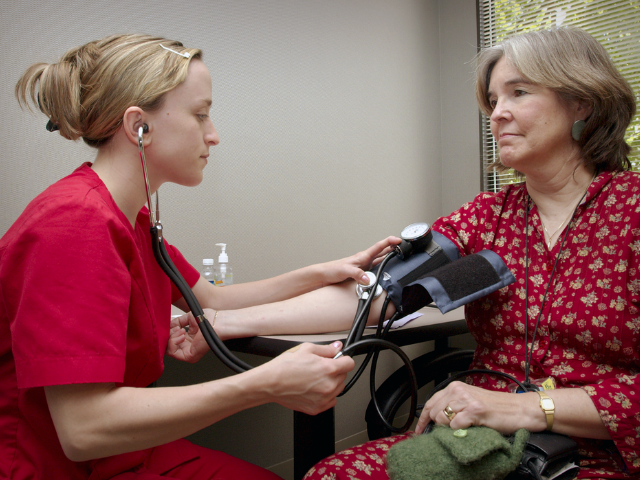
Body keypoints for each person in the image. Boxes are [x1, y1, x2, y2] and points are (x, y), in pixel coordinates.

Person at [0, 34, 401, 480]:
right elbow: (82, 430)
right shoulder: (74, 224)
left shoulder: (127, 218)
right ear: (139, 127)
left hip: (129, 454)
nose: (214, 135)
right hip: (56, 466)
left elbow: (214, 299)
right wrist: (263, 384)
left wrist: (321, 271)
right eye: (200, 114)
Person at [304, 26, 639, 480]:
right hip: (473, 443)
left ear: (582, 101)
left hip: (598, 455)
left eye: (518, 92)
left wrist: (528, 407)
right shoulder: (489, 218)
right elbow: (382, 295)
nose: (497, 114)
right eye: (494, 101)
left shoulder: (632, 211)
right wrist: (222, 321)